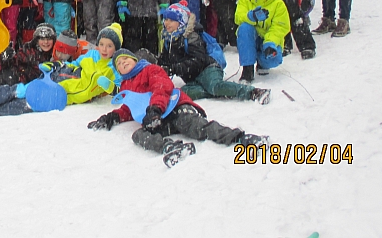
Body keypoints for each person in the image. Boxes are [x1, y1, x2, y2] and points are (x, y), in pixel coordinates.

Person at [87, 49, 267, 168]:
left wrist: (155, 109)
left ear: (135, 60)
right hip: (160, 118)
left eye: (125, 59)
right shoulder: (127, 86)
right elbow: (130, 108)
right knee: (138, 135)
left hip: (175, 107)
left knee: (196, 127)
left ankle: (240, 138)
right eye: (118, 63)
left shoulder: (151, 70)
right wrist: (111, 117)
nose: (122, 63)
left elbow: (161, 87)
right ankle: (171, 148)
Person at [0, 24, 121, 120]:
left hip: (62, 95)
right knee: (14, 90)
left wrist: (111, 87)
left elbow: (121, 89)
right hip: (45, 79)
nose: (104, 49)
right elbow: (72, 64)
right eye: (102, 44)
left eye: (110, 46)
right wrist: (54, 67)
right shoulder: (91, 56)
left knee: (25, 105)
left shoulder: (114, 68)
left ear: (116, 48)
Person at [158, 2, 270, 104]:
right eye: (166, 19)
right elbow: (164, 60)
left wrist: (175, 68)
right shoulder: (169, 39)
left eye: (171, 20)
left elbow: (198, 61)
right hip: (193, 77)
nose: (167, 23)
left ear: (181, 21)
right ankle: (214, 91)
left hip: (208, 68)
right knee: (183, 93)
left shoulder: (191, 37)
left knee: (215, 86)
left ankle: (252, 92)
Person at [235, 0, 290, 82]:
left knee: (272, 58)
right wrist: (250, 17)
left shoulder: (278, 4)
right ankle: (247, 68)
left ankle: (262, 62)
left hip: (268, 39)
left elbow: (280, 27)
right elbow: (238, 17)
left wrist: (270, 43)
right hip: (251, 38)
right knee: (244, 28)